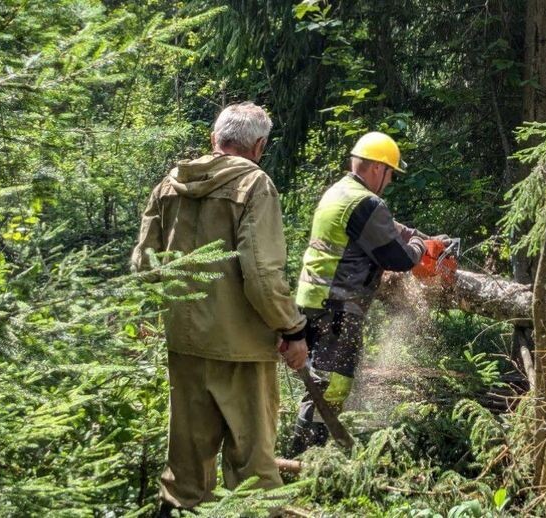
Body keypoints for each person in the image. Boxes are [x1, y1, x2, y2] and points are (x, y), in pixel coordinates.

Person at [131, 102, 309, 513]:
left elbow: (144, 266)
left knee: (185, 473)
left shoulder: (170, 185)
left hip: (185, 344)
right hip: (241, 349)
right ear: (260, 145)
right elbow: (262, 275)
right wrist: (292, 328)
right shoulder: (255, 186)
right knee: (254, 471)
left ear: (215, 138)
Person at [288, 131, 452, 455]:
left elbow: (384, 227)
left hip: (315, 300)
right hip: (336, 305)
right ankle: (306, 458)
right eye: (390, 173)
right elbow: (397, 259)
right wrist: (423, 247)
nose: (389, 181)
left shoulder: (341, 192)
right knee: (331, 385)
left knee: (322, 381)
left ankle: (310, 453)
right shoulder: (366, 202)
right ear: (377, 168)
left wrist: (414, 233)